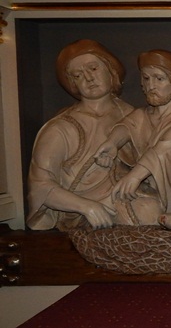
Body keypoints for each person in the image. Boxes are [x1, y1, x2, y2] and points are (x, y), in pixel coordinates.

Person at [26, 39, 134, 230]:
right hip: (84, 216)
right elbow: (40, 186)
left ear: (111, 70)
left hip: (130, 199)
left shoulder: (134, 116)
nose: (89, 78)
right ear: (72, 83)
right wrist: (86, 207)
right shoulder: (60, 128)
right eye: (78, 75)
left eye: (93, 68)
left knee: (148, 210)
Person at [93, 50, 171, 226]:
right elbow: (126, 126)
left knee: (141, 212)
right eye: (146, 79)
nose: (151, 85)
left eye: (159, 78)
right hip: (148, 188)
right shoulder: (142, 115)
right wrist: (111, 143)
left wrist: (135, 176)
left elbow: (164, 148)